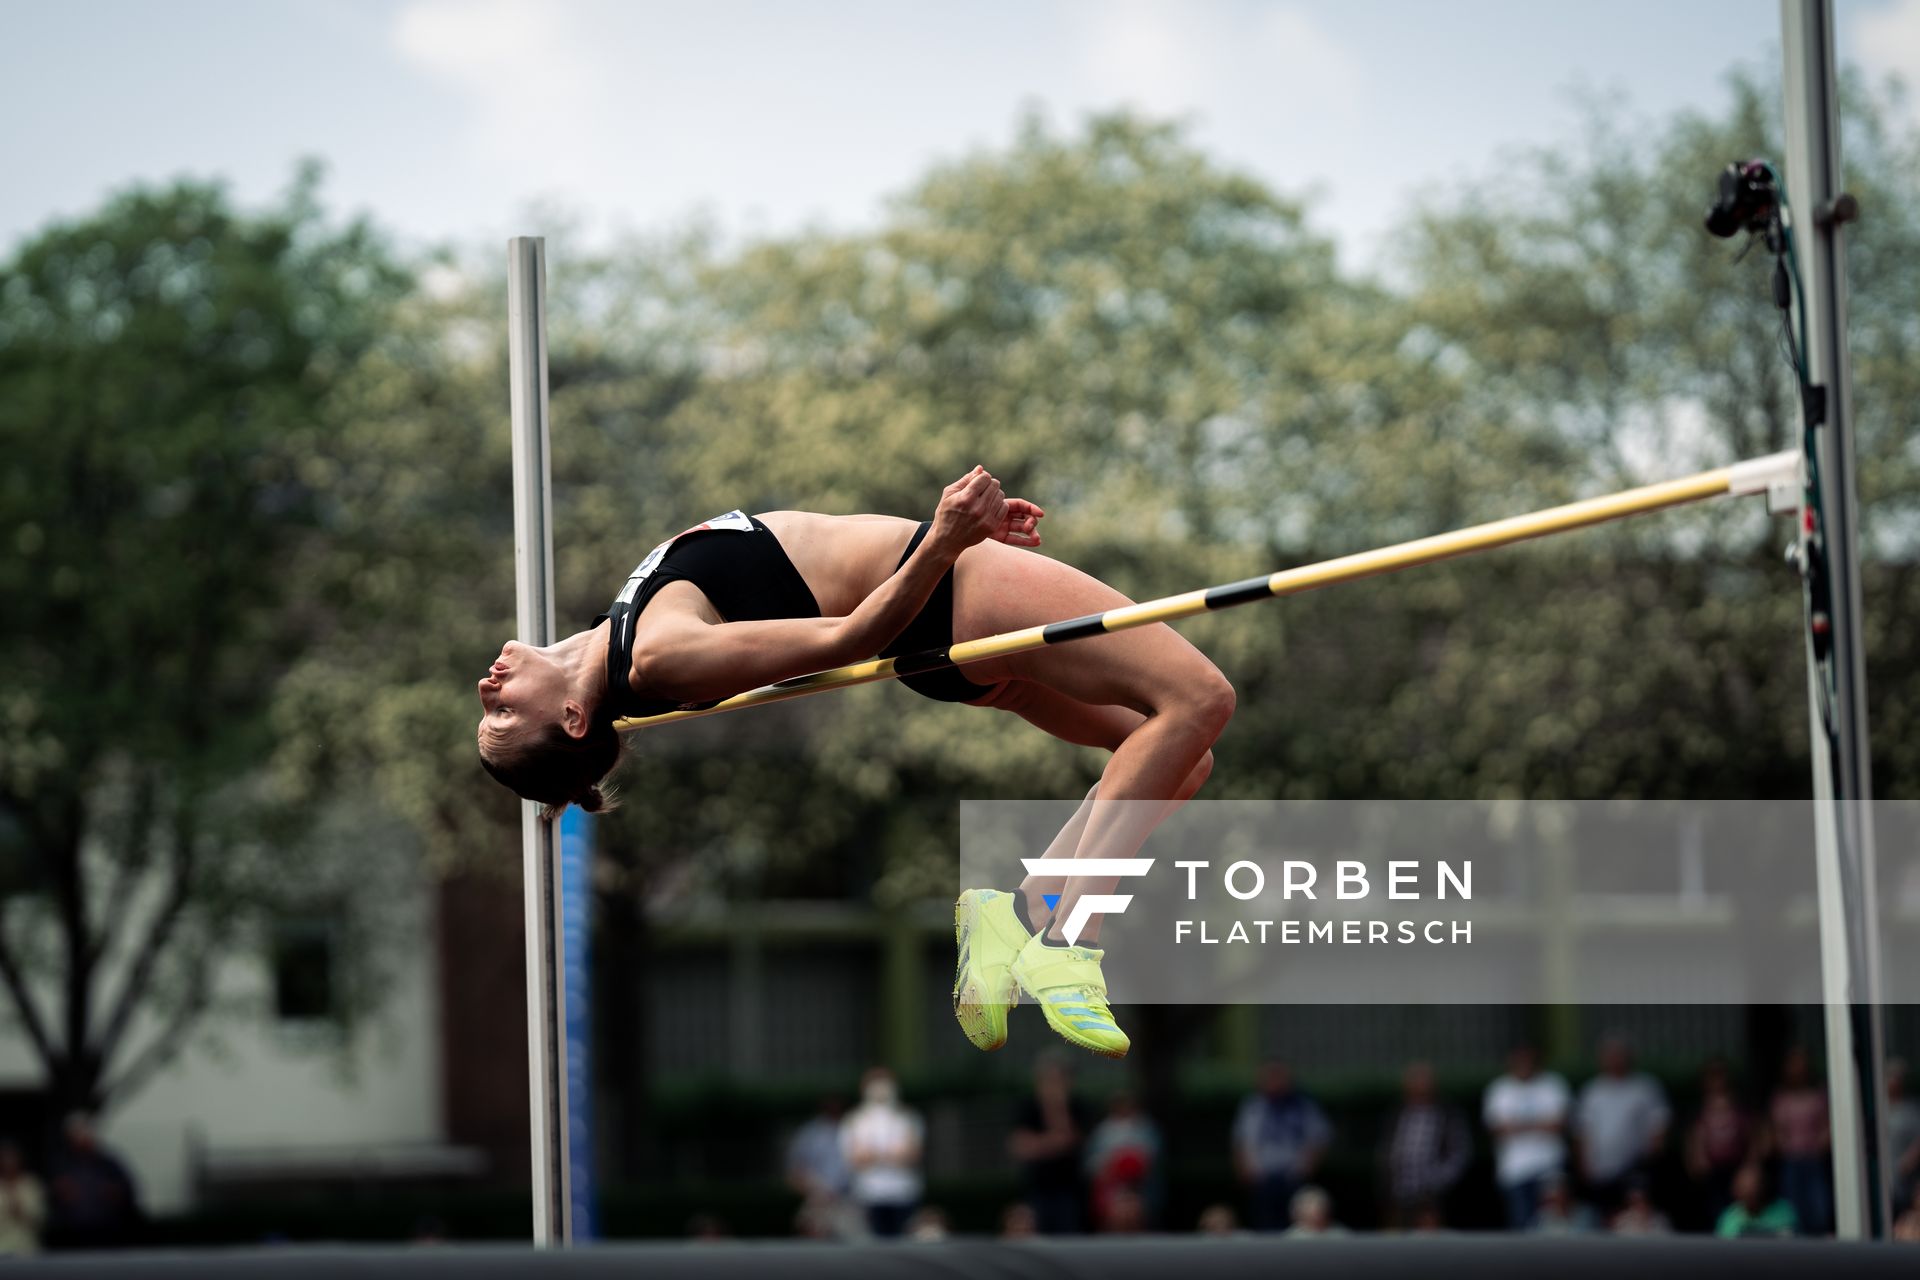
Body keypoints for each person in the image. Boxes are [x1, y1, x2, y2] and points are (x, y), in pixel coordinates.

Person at [476, 468, 1236, 1062]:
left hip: (940, 625)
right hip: (945, 594)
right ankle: (1071, 940)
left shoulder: (607, 642)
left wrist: (952, 535)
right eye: (501, 714)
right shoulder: (658, 653)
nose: (488, 689)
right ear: (574, 718)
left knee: (1182, 760)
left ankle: (1017, 916)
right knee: (1198, 698)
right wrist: (945, 539)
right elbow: (841, 638)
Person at [1571, 1034, 1669, 1213]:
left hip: (1635, 1168)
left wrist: (1651, 1159)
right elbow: (1582, 1130)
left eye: (1618, 1055)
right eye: (1609, 1055)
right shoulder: (1592, 1091)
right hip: (1601, 1171)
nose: (1614, 1060)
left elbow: (1658, 1124)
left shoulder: (1645, 1087)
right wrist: (1584, 1163)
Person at [1232, 1061, 1331, 1232]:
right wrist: (1246, 1171)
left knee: (1298, 1226)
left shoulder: (1304, 1106)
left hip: (1294, 1177)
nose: (1275, 1083)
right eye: (1270, 1078)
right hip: (1262, 1178)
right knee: (1264, 1225)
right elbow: (1241, 1141)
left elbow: (1319, 1138)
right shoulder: (1253, 1107)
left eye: (1279, 1078)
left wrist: (1307, 1167)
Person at [1482, 1044, 1569, 1230]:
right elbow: (1498, 1128)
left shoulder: (1552, 1084)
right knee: (1520, 1225)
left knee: (1552, 1223)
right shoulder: (1500, 1089)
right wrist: (1539, 1123)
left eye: (1528, 1060)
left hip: (1548, 1165)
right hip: (1514, 1170)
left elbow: (1557, 1124)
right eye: (1519, 1060)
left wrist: (1517, 1125)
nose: (1524, 1064)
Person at [1009, 1053, 1098, 1234]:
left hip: (1071, 1191)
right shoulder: (1028, 1107)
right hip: (1037, 1189)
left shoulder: (1078, 1107)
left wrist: (1057, 1107)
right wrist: (1054, 1143)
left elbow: (1069, 1140)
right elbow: (1021, 1147)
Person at [1378, 1061, 1471, 1229]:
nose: (1418, 1088)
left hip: (1433, 1194)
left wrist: (1438, 1179)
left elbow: (1459, 1153)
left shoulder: (1447, 1114)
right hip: (1399, 1192)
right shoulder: (1398, 1113)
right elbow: (1388, 1149)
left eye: (1422, 1083)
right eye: (1413, 1082)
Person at [840, 1068, 924, 1239]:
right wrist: (889, 1155)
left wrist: (876, 1155)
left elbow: (912, 1155)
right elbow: (856, 1159)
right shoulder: (855, 1120)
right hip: (869, 1194)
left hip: (903, 1192)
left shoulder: (908, 1117)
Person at [44, 1114, 140, 1250]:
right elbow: (49, 1199)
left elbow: (128, 1190)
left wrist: (116, 1193)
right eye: (77, 1134)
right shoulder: (61, 1166)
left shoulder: (108, 1163)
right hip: (72, 1235)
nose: (83, 1138)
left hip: (107, 1232)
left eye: (85, 1133)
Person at [1767, 1045, 1831, 1235]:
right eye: (1794, 1064)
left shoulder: (1818, 1095)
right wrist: (1784, 1146)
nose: (1798, 1069)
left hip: (1814, 1159)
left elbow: (1827, 1125)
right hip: (1791, 1160)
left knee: (1819, 1210)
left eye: (1802, 1064)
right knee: (1793, 1212)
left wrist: (1821, 1144)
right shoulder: (1781, 1098)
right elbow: (1776, 1129)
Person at [1684, 1058, 1754, 1225]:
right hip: (1711, 1170)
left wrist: (1751, 1164)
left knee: (1737, 1208)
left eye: (1720, 1076)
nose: (1717, 1081)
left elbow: (1751, 1134)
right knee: (1712, 1209)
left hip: (1736, 1166)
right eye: (1712, 1077)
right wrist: (1694, 1158)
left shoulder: (1739, 1105)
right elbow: (1693, 1135)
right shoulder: (1700, 1107)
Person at [1084, 1091, 1162, 1230]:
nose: (1125, 1108)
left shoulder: (1147, 1127)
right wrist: (1109, 1167)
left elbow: (1153, 1158)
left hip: (1141, 1187)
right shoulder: (1103, 1130)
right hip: (1110, 1187)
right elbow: (1091, 1163)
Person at [785, 1095, 853, 1239]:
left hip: (850, 1201)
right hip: (817, 1199)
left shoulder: (855, 1128)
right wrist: (816, 1190)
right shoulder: (809, 1133)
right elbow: (794, 1173)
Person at [1714, 1163, 1797, 1238]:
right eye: (1744, 1188)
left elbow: (1789, 1242)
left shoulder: (1783, 1213)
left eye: (1754, 1188)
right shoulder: (1729, 1217)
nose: (1750, 1193)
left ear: (1764, 1186)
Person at [1886, 1059, 1920, 1213]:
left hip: (1903, 1182)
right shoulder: (1877, 1108)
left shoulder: (1910, 1111)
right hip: (1884, 1181)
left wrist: (1906, 1164)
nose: (1891, 1082)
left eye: (1895, 1078)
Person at [0, 1141, 45, 1255]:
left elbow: (41, 1219)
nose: (9, 1163)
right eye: (5, 1159)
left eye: (12, 1158)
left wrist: (21, 1211)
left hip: (27, 1248)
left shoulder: (31, 1184)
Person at [1528, 1173, 1598, 1235]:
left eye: (1557, 1195)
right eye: (1550, 1198)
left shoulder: (1586, 1214)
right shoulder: (1541, 1217)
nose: (1553, 1202)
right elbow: (1530, 1238)